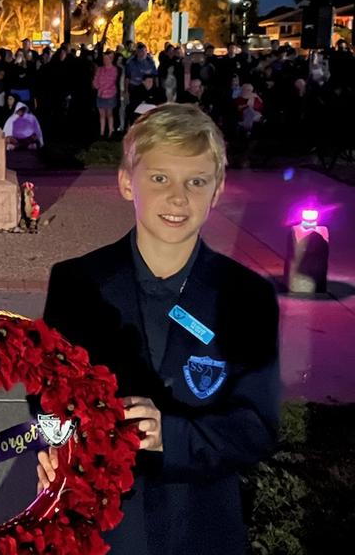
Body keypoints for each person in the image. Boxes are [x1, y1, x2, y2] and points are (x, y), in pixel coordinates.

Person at [37, 104, 279, 555]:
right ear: (128, 182)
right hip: (100, 529)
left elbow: (257, 426)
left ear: (218, 190)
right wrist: (55, 451)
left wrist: (172, 435)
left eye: (196, 181)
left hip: (200, 527)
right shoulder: (76, 284)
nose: (178, 198)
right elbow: (48, 396)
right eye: (160, 178)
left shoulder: (246, 297)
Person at [93, 51, 119, 139]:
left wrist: (102, 89)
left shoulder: (114, 69)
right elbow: (95, 79)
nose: (105, 60)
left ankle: (110, 131)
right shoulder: (100, 69)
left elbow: (111, 82)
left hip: (110, 95)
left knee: (109, 114)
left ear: (111, 59)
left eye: (107, 58)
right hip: (100, 95)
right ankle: (102, 132)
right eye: (104, 58)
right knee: (101, 114)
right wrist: (97, 86)